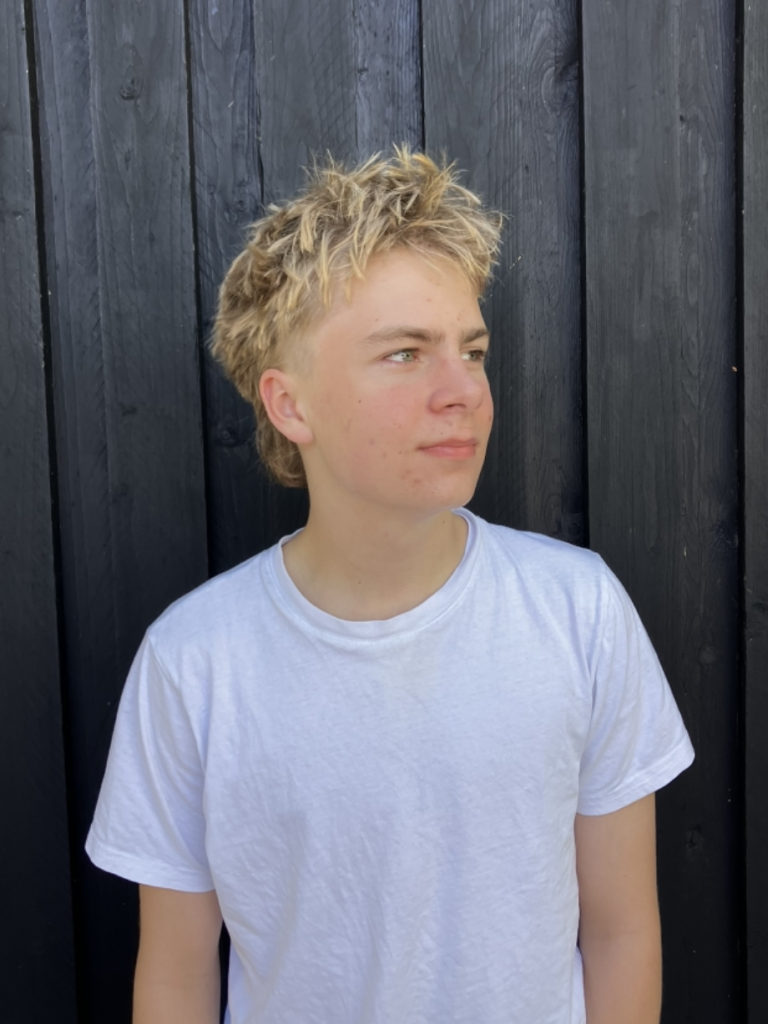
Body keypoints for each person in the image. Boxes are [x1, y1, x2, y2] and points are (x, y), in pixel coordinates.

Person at [86, 147, 694, 1024]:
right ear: (290, 405)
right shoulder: (194, 663)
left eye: (472, 351)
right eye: (406, 354)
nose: (463, 391)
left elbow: (621, 932)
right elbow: (178, 977)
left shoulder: (578, 613)